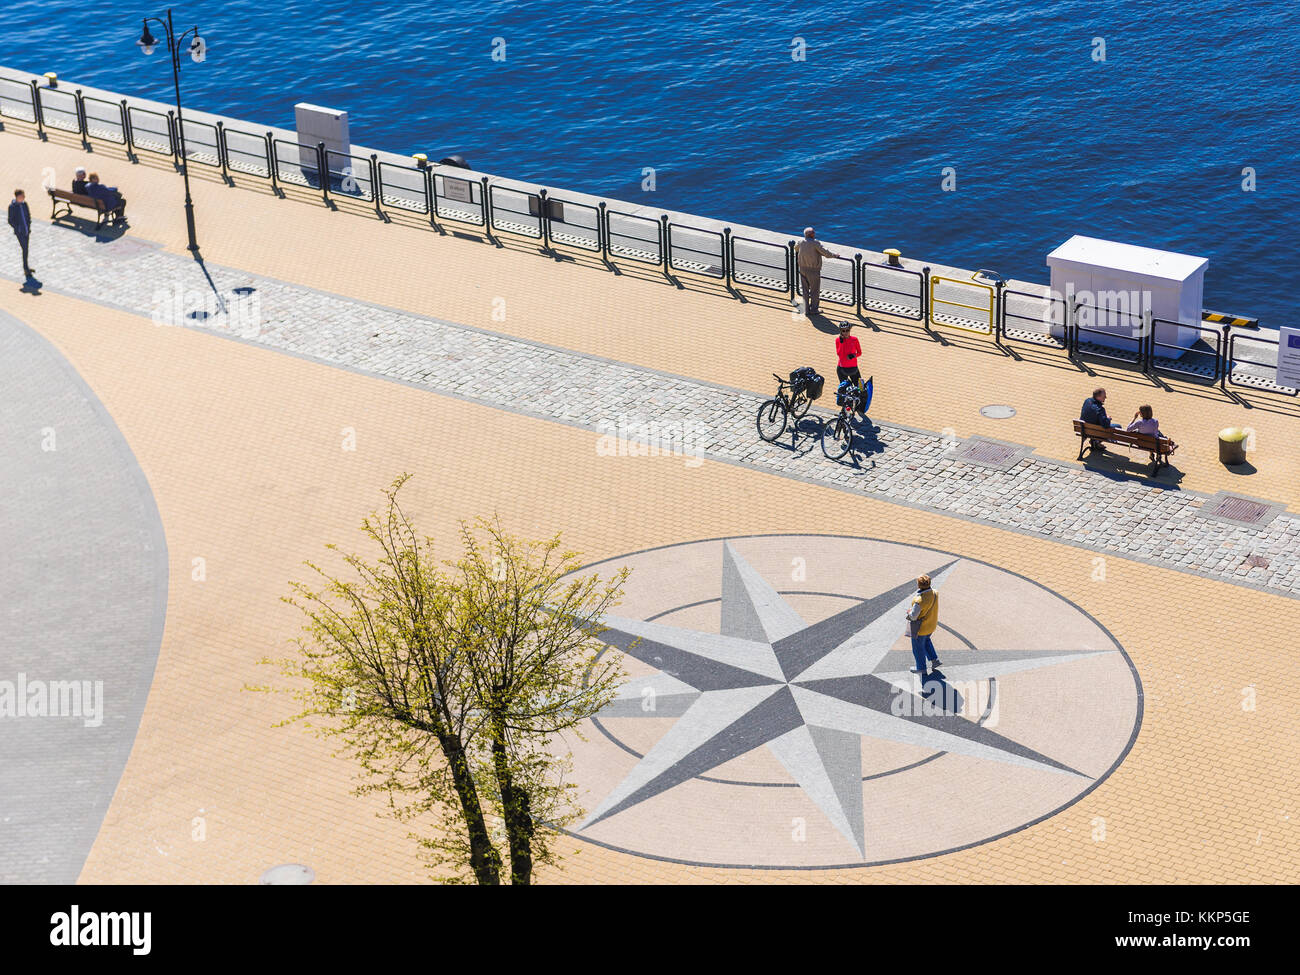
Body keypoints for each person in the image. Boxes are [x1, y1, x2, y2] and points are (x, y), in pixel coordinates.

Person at [795, 226, 845, 316]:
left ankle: (806, 309)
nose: (815, 233)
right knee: (814, 291)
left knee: (805, 290)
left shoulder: (801, 242)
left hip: (802, 269)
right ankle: (814, 309)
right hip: (813, 270)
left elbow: (796, 248)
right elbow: (826, 253)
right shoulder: (815, 243)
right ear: (811, 234)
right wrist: (835, 255)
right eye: (814, 232)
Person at [905, 574, 941, 692]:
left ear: (919, 585)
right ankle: (934, 660)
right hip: (931, 625)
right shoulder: (935, 593)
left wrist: (909, 613)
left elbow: (914, 616)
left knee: (918, 648)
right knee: (927, 642)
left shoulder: (919, 600)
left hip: (921, 628)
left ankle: (921, 668)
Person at [1079, 387, 1121, 453]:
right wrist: (1108, 418)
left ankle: (1095, 441)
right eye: (1104, 396)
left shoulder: (1087, 401)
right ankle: (1096, 441)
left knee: (1096, 426)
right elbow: (1105, 425)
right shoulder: (1100, 409)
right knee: (1118, 426)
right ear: (1098, 397)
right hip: (1096, 431)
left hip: (1084, 430)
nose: (1105, 397)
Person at [7, 189, 33, 279]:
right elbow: (10, 220)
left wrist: (28, 225)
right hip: (20, 232)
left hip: (26, 231)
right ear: (17, 197)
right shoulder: (12, 207)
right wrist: (18, 228)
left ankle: (26, 266)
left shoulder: (24, 204)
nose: (24, 197)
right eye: (22, 196)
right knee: (25, 249)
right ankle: (26, 268)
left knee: (26, 249)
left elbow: (28, 215)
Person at [835, 321, 862, 386]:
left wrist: (853, 355)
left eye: (847, 330)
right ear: (841, 332)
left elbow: (859, 352)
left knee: (860, 387)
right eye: (843, 331)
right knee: (844, 389)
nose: (846, 332)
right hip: (842, 369)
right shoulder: (838, 340)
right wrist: (842, 342)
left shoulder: (854, 339)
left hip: (853, 368)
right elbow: (839, 354)